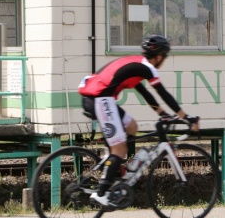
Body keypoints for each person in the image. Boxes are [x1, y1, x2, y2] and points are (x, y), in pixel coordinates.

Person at [78, 34, 199, 207]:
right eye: (164, 57)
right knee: (120, 149)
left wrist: (162, 113)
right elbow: (162, 93)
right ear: (158, 57)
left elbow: (144, 93)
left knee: (132, 126)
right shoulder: (147, 68)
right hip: (101, 99)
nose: (163, 60)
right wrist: (186, 118)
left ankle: (114, 166)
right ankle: (101, 193)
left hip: (98, 98)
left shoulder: (136, 64)